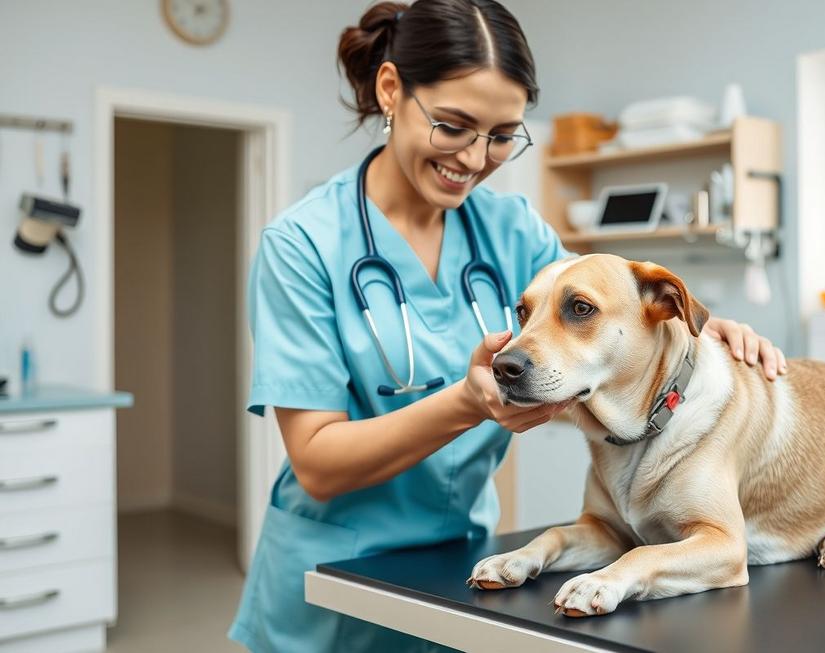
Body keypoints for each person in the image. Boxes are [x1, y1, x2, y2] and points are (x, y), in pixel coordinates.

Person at [227, 1, 788, 650]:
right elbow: (318, 461)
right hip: (330, 588)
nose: (474, 157)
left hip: (462, 568)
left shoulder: (509, 225)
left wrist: (708, 327)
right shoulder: (302, 244)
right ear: (390, 90)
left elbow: (613, 303)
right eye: (453, 125)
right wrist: (467, 403)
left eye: (501, 135)